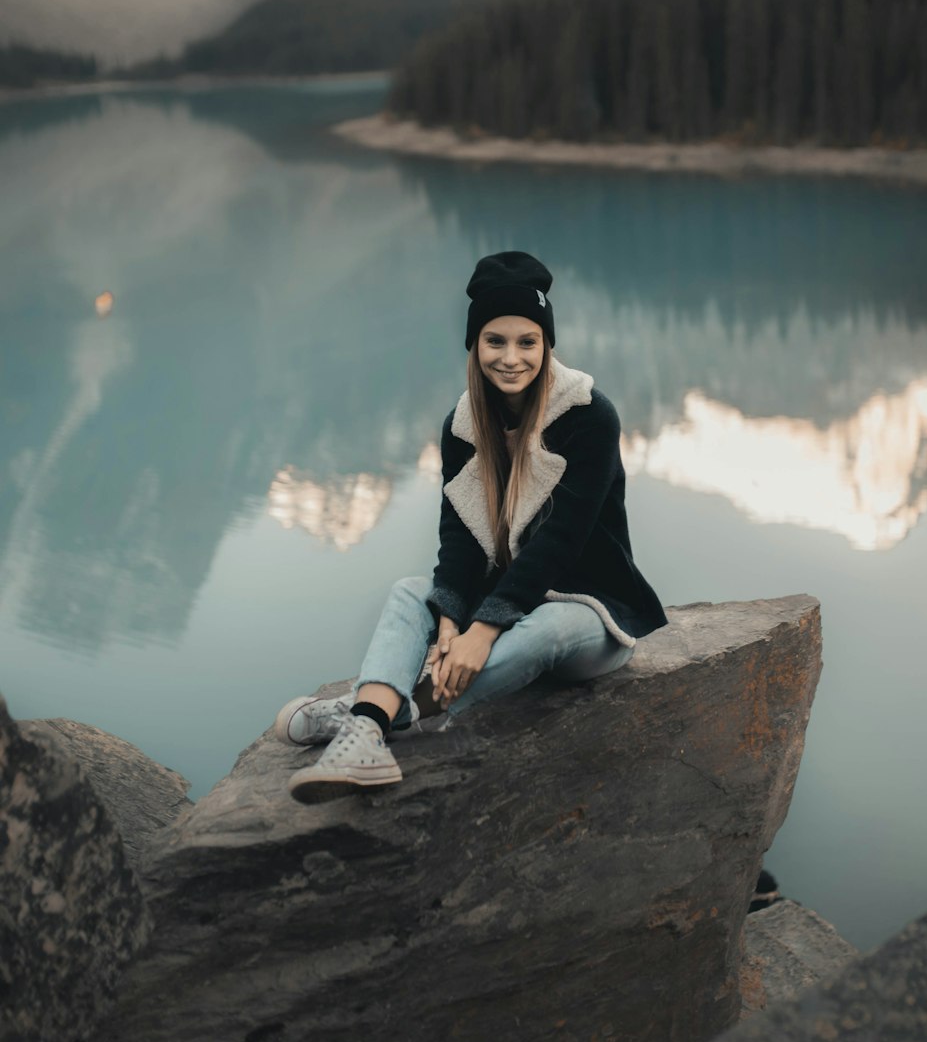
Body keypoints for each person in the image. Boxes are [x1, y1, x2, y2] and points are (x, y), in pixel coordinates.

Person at [276, 250, 668, 804]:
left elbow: (562, 543)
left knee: (550, 626)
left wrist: (482, 629)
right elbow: (458, 539)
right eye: (495, 341)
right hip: (508, 603)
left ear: (546, 345)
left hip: (587, 614)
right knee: (412, 592)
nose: (511, 358)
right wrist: (450, 618)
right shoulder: (463, 426)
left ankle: (373, 710)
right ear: (474, 346)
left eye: (527, 341)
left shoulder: (588, 415)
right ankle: (366, 734)